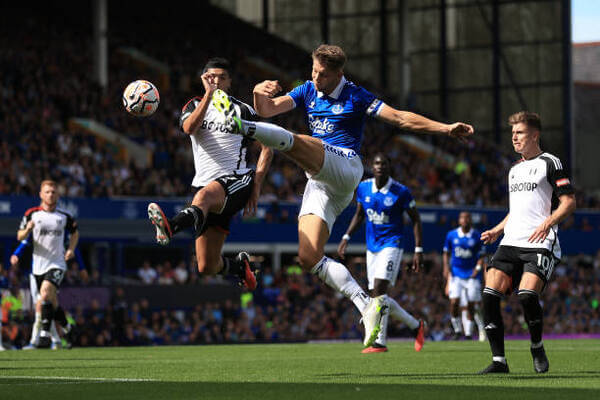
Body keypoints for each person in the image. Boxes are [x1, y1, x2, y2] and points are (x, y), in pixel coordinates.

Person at [215, 44, 473, 347]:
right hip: (321, 182)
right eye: (313, 70)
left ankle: (243, 127)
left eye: (322, 74)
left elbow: (400, 118)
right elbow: (268, 109)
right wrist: (259, 92)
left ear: (339, 73)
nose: (315, 77)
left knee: (302, 143)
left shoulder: (356, 95)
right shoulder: (307, 90)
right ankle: (366, 305)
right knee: (308, 255)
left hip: (346, 165)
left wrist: (445, 129)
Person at [147, 58, 273, 290]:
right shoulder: (193, 106)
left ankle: (170, 227)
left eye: (221, 77)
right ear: (203, 79)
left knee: (203, 199)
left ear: (229, 82)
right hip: (207, 185)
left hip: (237, 180)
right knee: (207, 265)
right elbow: (188, 129)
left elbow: (268, 145)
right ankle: (239, 267)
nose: (216, 81)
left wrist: (256, 184)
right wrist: (208, 95)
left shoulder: (243, 110)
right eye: (211, 77)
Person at [478, 111, 576, 374]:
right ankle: (499, 361)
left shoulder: (551, 162)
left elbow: (568, 202)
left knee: (527, 295)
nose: (514, 138)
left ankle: (536, 345)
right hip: (511, 241)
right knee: (489, 295)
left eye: (519, 133)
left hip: (540, 241)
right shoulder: (514, 170)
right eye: (512, 134)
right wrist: (498, 229)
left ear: (534, 135)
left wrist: (548, 222)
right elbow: (517, 210)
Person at [337, 153, 425, 353]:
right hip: (372, 247)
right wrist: (346, 237)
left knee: (379, 291)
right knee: (378, 296)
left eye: (384, 163)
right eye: (377, 163)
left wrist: (418, 249)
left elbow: (416, 220)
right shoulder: (363, 188)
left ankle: (379, 341)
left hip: (392, 244)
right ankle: (415, 325)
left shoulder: (401, 192)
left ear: (389, 167)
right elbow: (359, 215)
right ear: (372, 166)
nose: (380, 166)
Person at [17, 180, 79, 349]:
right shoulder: (32, 214)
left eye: (53, 192)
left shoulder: (64, 217)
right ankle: (68, 328)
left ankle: (44, 336)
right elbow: (20, 236)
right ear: (41, 194)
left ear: (58, 195)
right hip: (38, 266)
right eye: (47, 192)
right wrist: (28, 229)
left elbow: (75, 233)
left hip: (57, 263)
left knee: (45, 293)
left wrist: (71, 249)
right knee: (51, 301)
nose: (50, 195)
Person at [442, 211, 486, 341]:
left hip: (472, 275)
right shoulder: (451, 235)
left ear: (470, 220)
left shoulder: (477, 236)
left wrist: (477, 270)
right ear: (459, 220)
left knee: (472, 304)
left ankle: (468, 333)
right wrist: (445, 268)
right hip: (456, 274)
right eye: (462, 217)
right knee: (454, 302)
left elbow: (482, 257)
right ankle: (457, 330)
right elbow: (446, 252)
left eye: (467, 217)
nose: (465, 220)